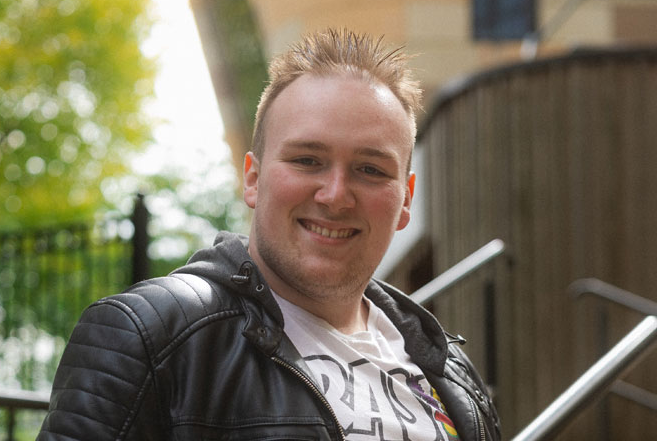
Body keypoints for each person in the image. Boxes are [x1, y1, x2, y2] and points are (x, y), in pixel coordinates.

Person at [38, 28, 500, 441]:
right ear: (253, 179)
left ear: (405, 199)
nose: (336, 195)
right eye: (306, 160)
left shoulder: (450, 371)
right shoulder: (152, 335)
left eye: (370, 169)